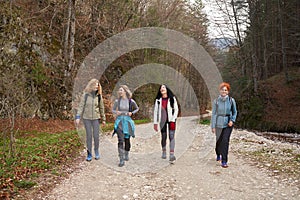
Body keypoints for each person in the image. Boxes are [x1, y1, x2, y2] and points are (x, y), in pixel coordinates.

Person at [75, 79, 106, 161]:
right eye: (95, 85)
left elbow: (101, 108)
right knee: (89, 136)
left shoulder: (99, 96)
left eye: (98, 85)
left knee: (96, 136)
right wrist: (78, 117)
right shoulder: (85, 95)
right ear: (91, 85)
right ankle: (89, 153)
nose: (96, 86)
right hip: (86, 118)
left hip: (96, 118)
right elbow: (81, 106)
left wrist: (103, 119)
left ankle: (96, 151)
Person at [211, 82, 237, 168]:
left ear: (228, 91)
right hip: (218, 123)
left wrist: (232, 120)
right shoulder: (216, 101)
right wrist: (213, 126)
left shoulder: (231, 100)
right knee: (219, 141)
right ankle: (218, 153)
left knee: (225, 141)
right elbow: (214, 114)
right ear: (220, 91)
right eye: (222, 90)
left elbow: (235, 112)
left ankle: (224, 160)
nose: (224, 91)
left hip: (228, 124)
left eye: (226, 90)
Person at [112, 85, 139, 167]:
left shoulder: (131, 101)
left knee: (127, 140)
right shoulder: (117, 101)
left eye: (121, 90)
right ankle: (121, 159)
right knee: (120, 140)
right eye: (119, 90)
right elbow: (113, 109)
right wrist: (116, 112)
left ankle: (126, 153)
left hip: (127, 121)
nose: (120, 91)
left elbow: (137, 108)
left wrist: (132, 113)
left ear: (125, 91)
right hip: (119, 121)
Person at [153, 84, 179, 163]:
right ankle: (164, 151)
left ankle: (171, 154)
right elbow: (156, 112)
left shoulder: (172, 99)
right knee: (164, 137)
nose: (162, 89)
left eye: (163, 87)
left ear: (167, 89)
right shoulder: (158, 100)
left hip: (171, 120)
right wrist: (155, 123)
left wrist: (173, 118)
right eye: (161, 88)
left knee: (171, 136)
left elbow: (176, 109)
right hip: (162, 120)